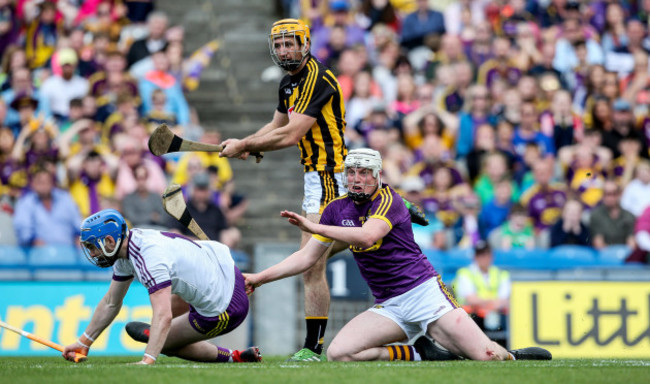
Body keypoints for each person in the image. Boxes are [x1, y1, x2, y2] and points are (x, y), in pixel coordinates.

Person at [244, 148, 551, 362]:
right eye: (351, 173)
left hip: (426, 296)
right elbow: (306, 258)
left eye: (364, 173)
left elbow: (367, 236)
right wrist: (259, 278)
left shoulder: (389, 200)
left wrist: (313, 226)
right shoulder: (336, 209)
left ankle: (513, 356)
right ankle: (419, 353)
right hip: (390, 306)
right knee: (340, 353)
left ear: (377, 176)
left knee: (488, 357)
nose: (356, 178)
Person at [218, 18, 348, 362]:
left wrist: (246, 142)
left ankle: (312, 349)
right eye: (278, 45)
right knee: (314, 257)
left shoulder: (318, 79)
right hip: (314, 178)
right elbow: (276, 126)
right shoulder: (288, 83)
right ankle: (386, 209)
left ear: (305, 44)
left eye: (290, 43)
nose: (283, 50)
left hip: (330, 176)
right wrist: (249, 145)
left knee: (310, 266)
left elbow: (290, 134)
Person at [62, 209, 262, 365]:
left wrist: (148, 359)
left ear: (109, 241)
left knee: (163, 341)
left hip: (227, 306)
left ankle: (233, 357)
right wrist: (83, 343)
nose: (94, 254)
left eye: (93, 247)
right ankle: (233, 354)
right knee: (164, 328)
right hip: (225, 269)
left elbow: (163, 315)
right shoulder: (130, 246)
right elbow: (110, 303)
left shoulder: (150, 258)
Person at [453, 241, 510, 346]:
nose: (484, 258)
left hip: (495, 313)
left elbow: (504, 300)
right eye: (480, 255)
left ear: (491, 256)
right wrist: (492, 303)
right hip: (473, 316)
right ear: (475, 257)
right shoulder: (465, 273)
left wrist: (488, 305)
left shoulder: (501, 274)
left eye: (486, 254)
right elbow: (470, 299)